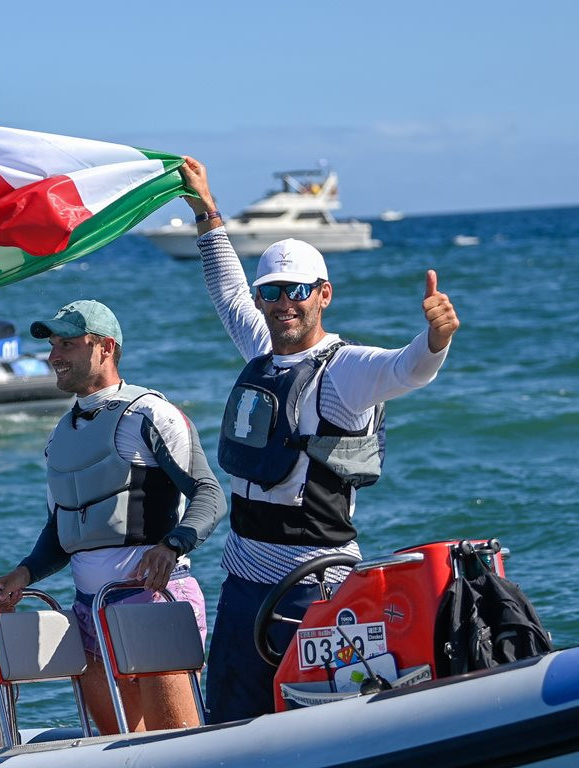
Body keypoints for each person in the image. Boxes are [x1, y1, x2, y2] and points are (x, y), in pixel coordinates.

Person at [178, 157, 461, 723]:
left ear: (323, 294)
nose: (284, 302)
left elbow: (405, 369)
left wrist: (436, 338)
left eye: (298, 290)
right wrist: (206, 211)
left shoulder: (345, 370)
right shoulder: (263, 348)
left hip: (316, 585)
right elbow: (228, 291)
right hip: (243, 581)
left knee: (312, 723)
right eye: (272, 292)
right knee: (230, 721)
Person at [0, 300, 225, 734]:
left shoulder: (150, 414)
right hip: (88, 613)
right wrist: (24, 573)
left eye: (67, 344)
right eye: (53, 345)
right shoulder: (59, 435)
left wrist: (172, 545)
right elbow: (62, 531)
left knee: (176, 748)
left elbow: (209, 494)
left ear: (106, 348)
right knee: (119, 748)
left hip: (152, 602)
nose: (54, 355)